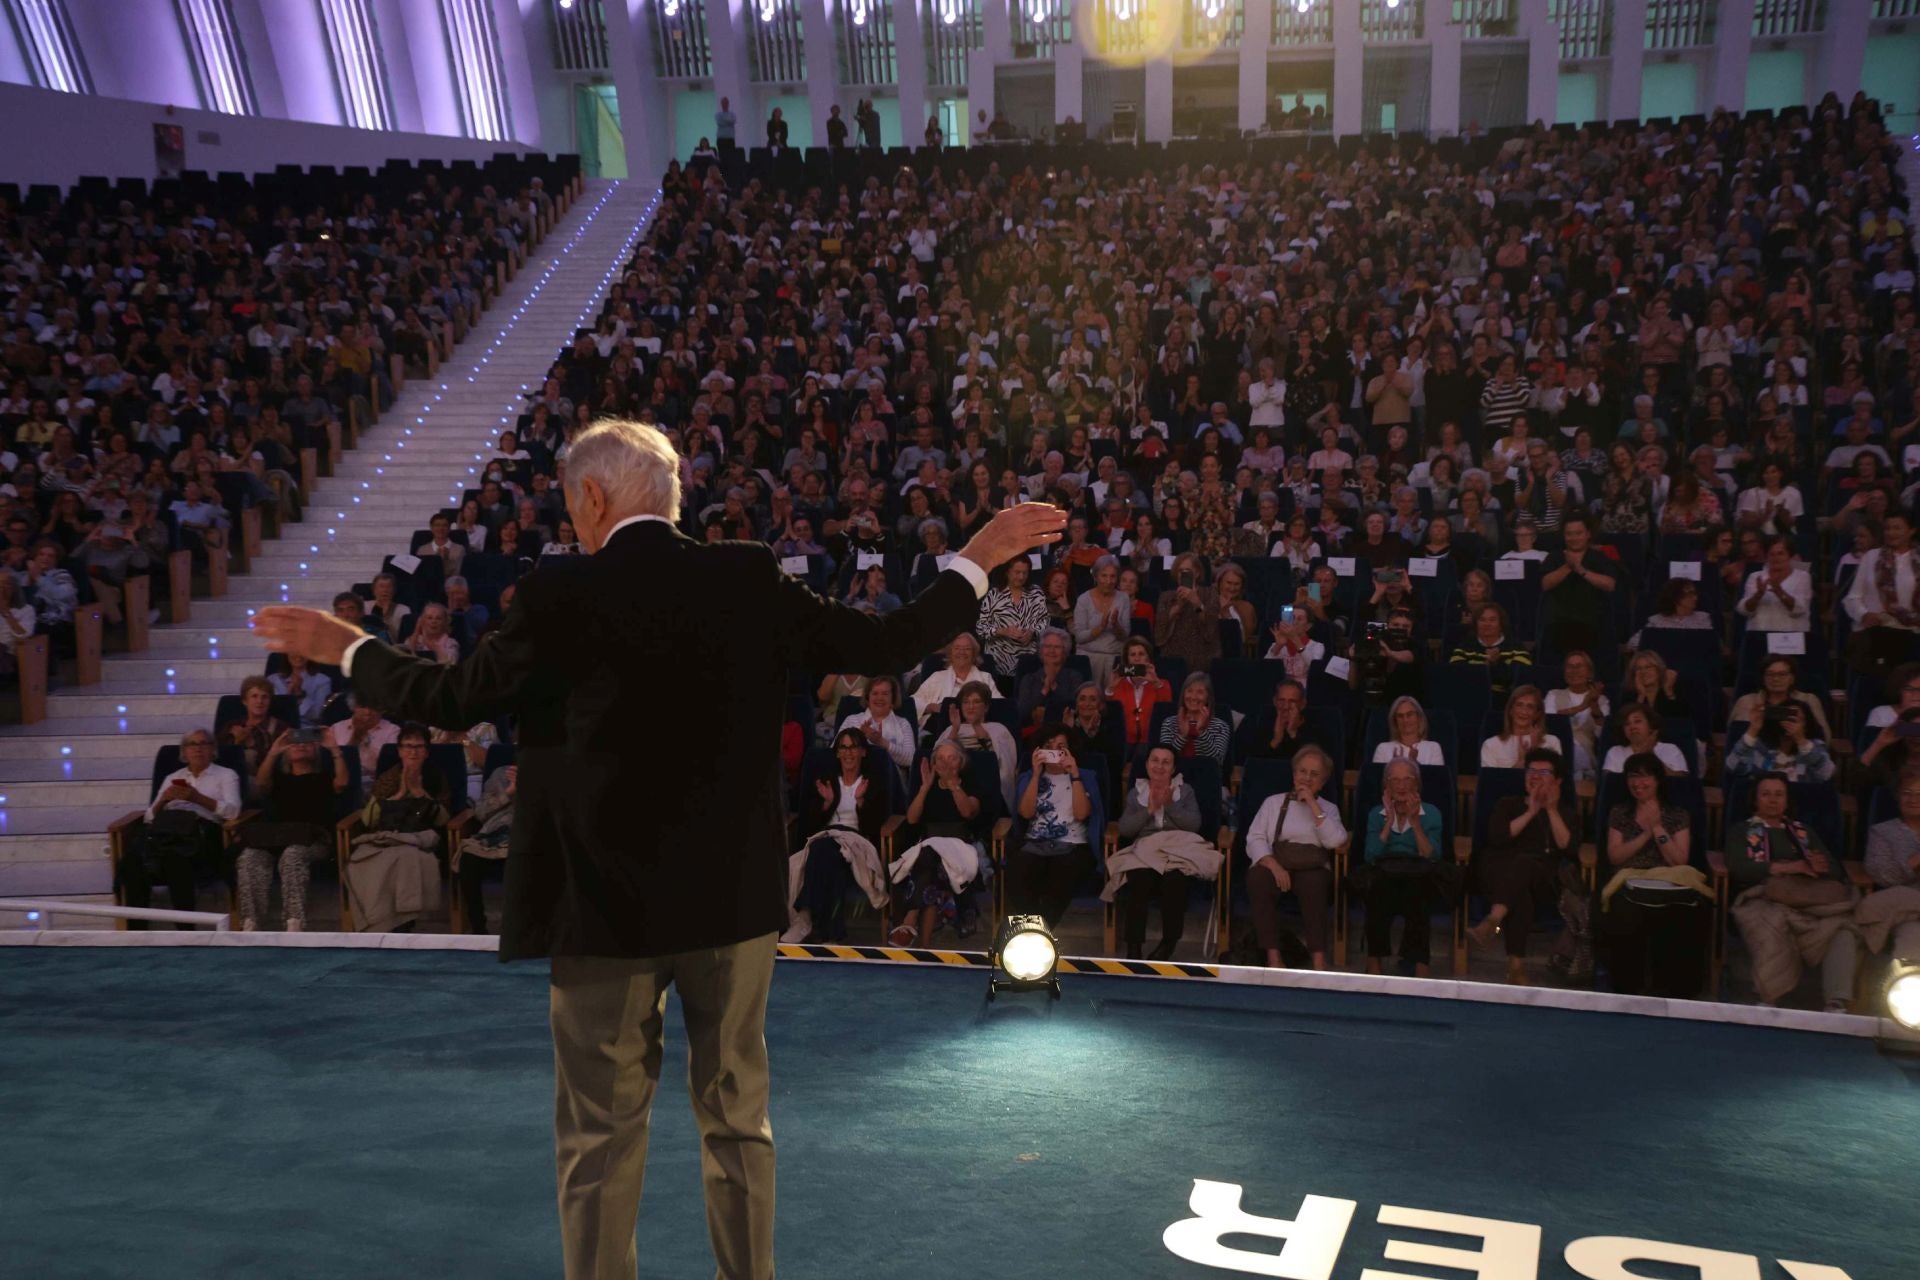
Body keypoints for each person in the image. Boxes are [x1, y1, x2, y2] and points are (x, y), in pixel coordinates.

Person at [252, 418, 1067, 1280]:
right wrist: (977, 556)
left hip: (601, 911)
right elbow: (886, 643)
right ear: (671, 495)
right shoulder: (748, 575)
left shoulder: (559, 594)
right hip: (730, 904)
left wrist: (346, 646)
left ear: (591, 496)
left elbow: (451, 697)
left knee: (600, 1137)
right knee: (737, 1120)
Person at [1726, 773, 1859, 1011]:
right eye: (1766, 794)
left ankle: (1836, 1003)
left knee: (1843, 930)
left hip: (1807, 899)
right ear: (1755, 800)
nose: (1773, 800)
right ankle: (1768, 998)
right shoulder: (1742, 830)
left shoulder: (1803, 831)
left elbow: (1835, 869)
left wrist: (1820, 866)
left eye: (1779, 794)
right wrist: (1789, 867)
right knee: (1769, 924)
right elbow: (1739, 868)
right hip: (1762, 897)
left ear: (1787, 801)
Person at [1467, 748, 1580, 985]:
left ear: (1558, 780)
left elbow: (1568, 848)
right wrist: (1531, 811)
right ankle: (1516, 967)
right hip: (1497, 874)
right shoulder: (1507, 804)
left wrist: (1550, 809)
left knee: (1524, 864)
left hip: (1542, 879)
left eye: (1543, 772)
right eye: (1531, 770)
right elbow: (1497, 838)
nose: (1535, 776)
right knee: (1520, 892)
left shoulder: (1565, 812)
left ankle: (1492, 921)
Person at [1599, 752, 1709, 997]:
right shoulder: (1620, 812)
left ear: (1658, 780)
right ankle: (1628, 988)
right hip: (1629, 879)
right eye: (1632, 777)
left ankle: (1678, 991)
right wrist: (1646, 834)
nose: (1638, 783)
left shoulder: (1677, 815)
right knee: (1625, 911)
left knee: (1689, 913)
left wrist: (1658, 827)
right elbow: (1615, 857)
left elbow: (1679, 860)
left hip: (1669, 879)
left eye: (1645, 776)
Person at [118, 728, 242, 928]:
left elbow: (233, 812)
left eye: (204, 744)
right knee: (133, 861)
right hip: (166, 832)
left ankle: (186, 931)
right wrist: (163, 801)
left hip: (202, 834)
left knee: (175, 859)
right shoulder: (172, 777)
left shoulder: (226, 775)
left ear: (213, 749)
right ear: (184, 751)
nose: (198, 749)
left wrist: (197, 798)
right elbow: (149, 817)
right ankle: (137, 933)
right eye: (192, 744)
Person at [1108, 745, 1220, 960]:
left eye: (1166, 762)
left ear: (1173, 768)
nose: (1159, 766)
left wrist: (1169, 805)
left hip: (1177, 849)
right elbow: (1126, 829)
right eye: (1155, 760)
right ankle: (1133, 947)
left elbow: (1194, 825)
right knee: (1138, 880)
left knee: (1175, 881)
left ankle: (1169, 943)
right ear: (1147, 764)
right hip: (1146, 850)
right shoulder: (1137, 792)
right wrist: (1149, 810)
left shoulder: (1184, 791)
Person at [236, 727, 349, 932]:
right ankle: (250, 922)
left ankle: (294, 922)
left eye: (307, 743)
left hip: (314, 840)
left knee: (292, 854)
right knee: (249, 856)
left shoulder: (324, 777)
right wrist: (273, 751)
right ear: (286, 752)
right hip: (277, 838)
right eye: (295, 743)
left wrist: (334, 748)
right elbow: (261, 784)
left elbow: (342, 784)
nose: (301, 745)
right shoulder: (278, 778)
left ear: (316, 750)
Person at [1244, 744, 1346, 970]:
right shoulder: (1273, 803)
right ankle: (1273, 957)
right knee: (1257, 878)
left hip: (1312, 866)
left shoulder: (1328, 809)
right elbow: (1255, 837)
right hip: (1278, 862)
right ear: (1294, 774)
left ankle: (1318, 961)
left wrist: (1313, 805)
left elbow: (1335, 841)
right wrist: (1273, 865)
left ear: (1323, 782)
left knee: (1314, 884)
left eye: (1314, 774)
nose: (1307, 778)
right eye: (1302, 771)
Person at [790, 728, 891, 944]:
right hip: (827, 840)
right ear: (837, 753)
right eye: (843, 747)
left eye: (853, 747)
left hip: (857, 842)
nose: (848, 753)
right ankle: (832, 935)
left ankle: (805, 917)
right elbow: (809, 826)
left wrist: (861, 802)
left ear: (863, 751)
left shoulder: (871, 783)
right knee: (831, 862)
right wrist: (826, 804)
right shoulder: (826, 782)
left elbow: (874, 827)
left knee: (822, 850)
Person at [888, 741, 987, 946]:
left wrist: (954, 786)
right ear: (934, 763)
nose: (946, 763)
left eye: (952, 758)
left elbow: (968, 812)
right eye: (940, 758)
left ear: (961, 762)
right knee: (931, 872)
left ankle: (909, 922)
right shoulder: (928, 786)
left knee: (928, 860)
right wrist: (924, 788)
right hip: (929, 849)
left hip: (959, 847)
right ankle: (924, 946)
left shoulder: (970, 784)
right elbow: (912, 819)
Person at [1358, 757, 1445, 977]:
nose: (1401, 785)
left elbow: (1432, 856)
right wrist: (1388, 821)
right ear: (1386, 785)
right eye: (1395, 780)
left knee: (1419, 893)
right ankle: (1374, 960)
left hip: (1419, 875)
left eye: (1407, 779)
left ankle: (1420, 964)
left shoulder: (1431, 813)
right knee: (1377, 890)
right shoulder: (1376, 814)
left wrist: (1415, 822)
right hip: (1385, 875)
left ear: (1417, 784)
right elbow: (1370, 856)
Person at [1010, 723, 1095, 928]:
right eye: (1049, 747)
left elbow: (1082, 814)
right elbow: (1026, 813)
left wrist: (1074, 775)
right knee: (1018, 870)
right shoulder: (1028, 777)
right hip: (1035, 843)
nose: (1054, 752)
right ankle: (1033, 932)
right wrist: (1036, 775)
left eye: (1061, 747)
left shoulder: (1085, 776)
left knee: (1062, 874)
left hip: (1072, 845)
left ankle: (1036, 932)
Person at [1863, 763, 1920, 964]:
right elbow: (1884, 876)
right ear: (1898, 797)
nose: (1913, 799)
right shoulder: (1882, 832)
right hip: (1905, 911)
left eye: (1919, 794)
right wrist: (1915, 861)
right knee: (1913, 937)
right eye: (1907, 793)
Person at [935, 679, 1018, 808]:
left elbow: (1000, 764)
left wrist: (976, 725)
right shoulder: (951, 729)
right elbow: (937, 758)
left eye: (976, 701)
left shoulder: (998, 729)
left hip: (984, 782)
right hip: (953, 777)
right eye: (966, 702)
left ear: (986, 707)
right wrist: (955, 729)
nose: (970, 706)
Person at [908, 632, 1003, 728]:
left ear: (974, 654)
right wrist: (930, 707)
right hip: (940, 726)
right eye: (957, 648)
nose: (962, 652)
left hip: (975, 726)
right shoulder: (937, 677)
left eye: (967, 649)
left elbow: (999, 705)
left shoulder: (985, 677)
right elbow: (913, 702)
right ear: (950, 653)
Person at [1725, 702, 1836, 783]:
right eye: (1787, 717)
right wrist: (1753, 730)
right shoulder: (1760, 746)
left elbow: (1827, 773)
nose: (1791, 723)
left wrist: (1801, 740)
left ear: (1806, 726)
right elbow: (1733, 767)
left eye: (1797, 720)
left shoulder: (1814, 746)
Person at [1729, 655, 1833, 740]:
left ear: (1792, 678)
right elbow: (1734, 742)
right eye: (1770, 674)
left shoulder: (1808, 700)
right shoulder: (1746, 702)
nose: (1776, 679)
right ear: (1763, 678)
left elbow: (1824, 740)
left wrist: (1800, 736)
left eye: (1782, 674)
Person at [977, 556, 1050, 675]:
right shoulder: (993, 594)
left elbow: (1045, 622)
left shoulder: (1036, 593)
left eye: (1025, 573)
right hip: (998, 661)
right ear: (1007, 572)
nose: (1021, 577)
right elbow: (981, 628)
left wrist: (1032, 632)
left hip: (1027, 662)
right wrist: (1002, 631)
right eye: (1017, 572)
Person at [1544, 650, 1610, 780]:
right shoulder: (1553, 694)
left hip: (1584, 756)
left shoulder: (1602, 700)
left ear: (1590, 673)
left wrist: (1594, 706)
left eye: (1579, 666)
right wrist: (1581, 707)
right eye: (1570, 666)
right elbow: (1549, 722)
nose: (1574, 670)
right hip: (1555, 751)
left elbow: (1602, 734)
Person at [1071, 554, 1131, 685]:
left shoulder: (1123, 599)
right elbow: (1079, 637)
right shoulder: (1083, 600)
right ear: (1096, 576)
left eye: (1113, 576)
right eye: (1104, 576)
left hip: (1114, 658)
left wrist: (1115, 625)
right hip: (1088, 658)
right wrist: (1100, 628)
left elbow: (1125, 636)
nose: (1108, 581)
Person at [1448, 603, 1532, 695]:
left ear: (1501, 623)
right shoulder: (1464, 647)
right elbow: (1456, 675)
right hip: (1470, 695)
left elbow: (1519, 679)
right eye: (1482, 620)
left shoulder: (1516, 648)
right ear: (1476, 624)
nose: (1487, 624)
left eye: (1492, 620)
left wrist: (1497, 663)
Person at [1736, 536, 1812, 632]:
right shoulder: (1755, 577)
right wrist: (1758, 595)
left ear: (1790, 556)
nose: (1776, 558)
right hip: (1760, 634)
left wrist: (1779, 591)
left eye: (1780, 553)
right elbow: (1744, 610)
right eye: (1771, 554)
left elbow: (1800, 609)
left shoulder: (1802, 576)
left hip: (1791, 636)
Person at [1480, 685, 1563, 769]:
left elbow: (1555, 776)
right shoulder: (1491, 744)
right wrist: (1521, 763)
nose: (1524, 712)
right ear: (1511, 710)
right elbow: (1491, 778)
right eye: (1519, 705)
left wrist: (1535, 752)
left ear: (1537, 714)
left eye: (1530, 707)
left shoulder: (1552, 742)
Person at [1157, 671, 1229, 767]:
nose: (1193, 697)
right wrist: (1182, 736)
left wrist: (1202, 732)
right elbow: (1164, 760)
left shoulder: (1220, 726)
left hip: (1205, 774)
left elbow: (1217, 762)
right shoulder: (1169, 723)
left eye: (1200, 692)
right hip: (1175, 774)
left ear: (1208, 698)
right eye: (1189, 691)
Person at [1601, 702, 1689, 775]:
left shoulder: (1670, 749)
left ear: (1651, 726)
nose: (1632, 727)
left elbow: (1680, 782)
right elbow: (1608, 784)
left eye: (1637, 721)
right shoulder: (1615, 752)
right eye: (1627, 724)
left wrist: (1651, 756)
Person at [1372, 695, 1444, 766]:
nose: (1405, 720)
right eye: (1400, 716)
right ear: (1395, 721)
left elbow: (1436, 774)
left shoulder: (1433, 748)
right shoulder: (1382, 749)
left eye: (1409, 714)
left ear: (1419, 717)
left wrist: (1414, 763)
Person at [268, 652, 334, 729]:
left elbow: (317, 716)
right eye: (294, 650)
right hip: (278, 730)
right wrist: (288, 695)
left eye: (302, 651)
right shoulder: (272, 680)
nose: (298, 655)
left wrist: (300, 694)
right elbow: (270, 712)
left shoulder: (322, 681)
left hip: (307, 730)